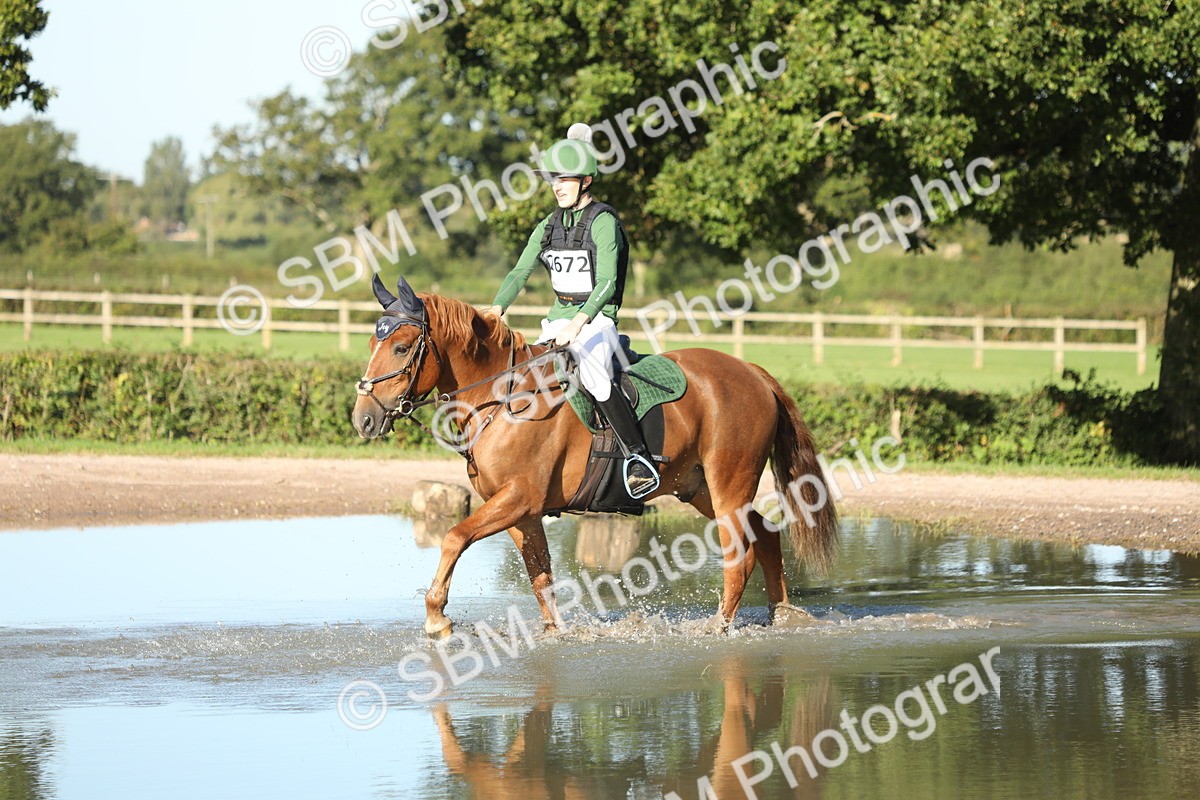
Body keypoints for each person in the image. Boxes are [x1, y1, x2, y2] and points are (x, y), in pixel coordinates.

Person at [484, 123, 660, 499]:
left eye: (564, 179)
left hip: (597, 320)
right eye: (553, 179)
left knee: (594, 378)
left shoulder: (604, 223)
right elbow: (520, 271)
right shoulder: (549, 225)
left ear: (586, 181)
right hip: (557, 320)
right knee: (526, 377)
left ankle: (638, 459)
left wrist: (579, 323)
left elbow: (607, 283)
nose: (557, 186)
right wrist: (497, 308)